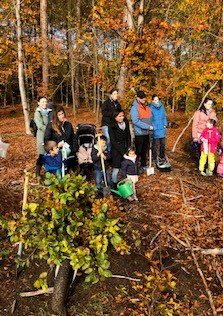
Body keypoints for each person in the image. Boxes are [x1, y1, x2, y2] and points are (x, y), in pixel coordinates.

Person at [44, 105, 77, 170]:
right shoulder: (51, 126)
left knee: (68, 152)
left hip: (69, 149)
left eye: (62, 113)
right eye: (59, 115)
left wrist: (74, 149)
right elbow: (46, 140)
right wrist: (56, 146)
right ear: (56, 116)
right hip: (56, 150)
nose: (62, 116)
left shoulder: (68, 124)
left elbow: (73, 138)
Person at [130, 90, 153, 169]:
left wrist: (151, 127)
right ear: (138, 98)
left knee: (145, 150)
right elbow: (135, 121)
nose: (144, 100)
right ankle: (135, 166)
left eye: (144, 98)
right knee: (138, 151)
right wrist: (148, 127)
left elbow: (150, 118)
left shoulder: (147, 107)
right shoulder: (134, 108)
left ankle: (143, 164)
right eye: (142, 99)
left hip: (147, 132)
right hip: (139, 133)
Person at [109, 109, 131, 188]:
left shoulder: (126, 122)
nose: (122, 117)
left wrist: (128, 147)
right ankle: (114, 184)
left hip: (125, 146)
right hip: (117, 149)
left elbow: (128, 135)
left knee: (126, 166)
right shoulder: (111, 126)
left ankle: (126, 182)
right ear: (115, 117)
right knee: (116, 167)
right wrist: (122, 152)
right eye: (119, 116)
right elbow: (113, 141)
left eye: (122, 116)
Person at [34, 96, 51, 177]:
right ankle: (37, 173)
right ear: (38, 103)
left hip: (50, 136)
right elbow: (40, 126)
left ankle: (49, 171)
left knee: (49, 153)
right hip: (42, 136)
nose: (45, 103)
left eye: (45, 101)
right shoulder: (38, 112)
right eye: (42, 102)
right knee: (42, 154)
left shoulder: (48, 111)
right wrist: (50, 130)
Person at [150, 95, 168, 164]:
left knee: (163, 143)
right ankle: (154, 157)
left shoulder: (162, 106)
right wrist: (152, 126)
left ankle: (162, 156)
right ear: (152, 101)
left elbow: (164, 116)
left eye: (157, 100)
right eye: (155, 100)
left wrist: (165, 124)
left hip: (162, 128)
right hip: (155, 128)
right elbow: (150, 118)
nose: (156, 101)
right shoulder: (151, 108)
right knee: (155, 144)